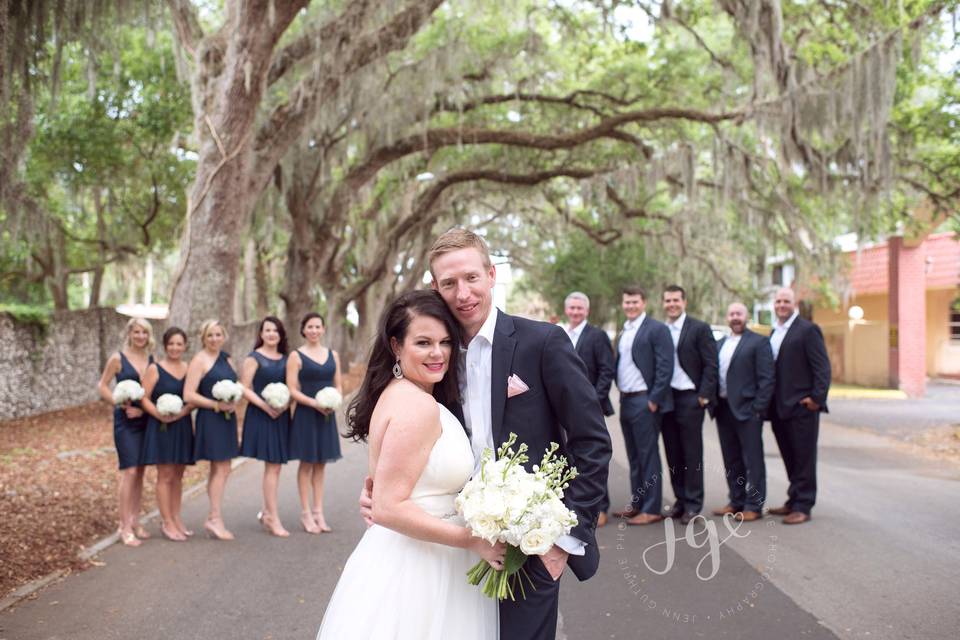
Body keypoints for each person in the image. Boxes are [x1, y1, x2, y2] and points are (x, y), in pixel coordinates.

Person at [317, 290, 502, 640]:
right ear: (396, 346)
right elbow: (388, 507)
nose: (437, 353)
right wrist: (471, 540)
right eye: (423, 342)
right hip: (420, 567)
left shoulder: (400, 393)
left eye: (445, 342)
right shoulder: (416, 406)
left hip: (413, 553)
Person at [767, 287, 831, 525]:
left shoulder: (807, 330)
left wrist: (816, 398)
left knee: (804, 457)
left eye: (786, 301)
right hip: (778, 407)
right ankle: (793, 499)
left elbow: (822, 367)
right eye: (778, 301)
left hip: (802, 407)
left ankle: (804, 505)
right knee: (789, 456)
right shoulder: (775, 332)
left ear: (795, 304)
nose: (782, 305)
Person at [612, 285, 674, 526]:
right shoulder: (625, 329)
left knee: (648, 456)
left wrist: (654, 400)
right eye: (627, 302)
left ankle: (652, 507)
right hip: (626, 399)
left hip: (644, 399)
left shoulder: (656, 329)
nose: (630, 306)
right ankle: (638, 502)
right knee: (634, 456)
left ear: (644, 303)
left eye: (635, 302)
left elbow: (665, 366)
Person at [710, 303, 774, 521]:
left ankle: (754, 505)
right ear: (727, 317)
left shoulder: (759, 342)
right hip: (723, 409)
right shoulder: (719, 344)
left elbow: (767, 379)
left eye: (739, 314)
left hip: (748, 410)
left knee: (753, 460)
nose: (735, 317)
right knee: (732, 459)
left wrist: (758, 408)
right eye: (731, 314)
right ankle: (736, 500)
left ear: (746, 317)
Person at [660, 285, 718, 524]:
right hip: (667, 399)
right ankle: (681, 500)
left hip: (690, 398)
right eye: (668, 300)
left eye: (676, 300)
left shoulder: (699, 328)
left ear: (684, 301)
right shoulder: (661, 330)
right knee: (673, 452)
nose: (672, 304)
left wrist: (703, 396)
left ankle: (694, 504)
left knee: (692, 454)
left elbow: (711, 364)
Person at [97, 317, 155, 546]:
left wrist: (146, 411)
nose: (141, 336)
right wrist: (117, 402)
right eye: (137, 332)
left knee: (140, 472)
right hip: (125, 422)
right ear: (129, 333)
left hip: (144, 419)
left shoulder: (151, 359)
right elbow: (102, 385)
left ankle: (135, 519)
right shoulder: (117, 359)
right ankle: (124, 526)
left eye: (145, 333)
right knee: (129, 471)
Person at [562, 291, 615, 526]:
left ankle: (601, 507)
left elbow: (606, 371)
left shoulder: (597, 336)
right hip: (564, 407)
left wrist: (594, 400)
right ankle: (574, 506)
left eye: (579, 308)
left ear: (587, 310)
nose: (575, 311)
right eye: (572, 308)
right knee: (569, 457)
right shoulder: (561, 334)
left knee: (593, 457)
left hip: (589, 407)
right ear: (566, 310)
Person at [287, 313, 342, 534]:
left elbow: (338, 385)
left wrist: (333, 400)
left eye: (318, 326)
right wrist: (314, 403)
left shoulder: (333, 355)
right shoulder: (296, 356)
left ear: (323, 329)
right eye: (310, 326)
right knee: (307, 463)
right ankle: (305, 513)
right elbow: (292, 388)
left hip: (326, 414)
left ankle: (319, 511)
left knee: (321, 464)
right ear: (303, 330)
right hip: (306, 414)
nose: (314, 330)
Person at [184, 319, 239, 540]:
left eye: (218, 335)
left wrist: (233, 399)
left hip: (228, 419)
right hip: (211, 418)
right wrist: (216, 404)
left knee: (223, 468)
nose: (214, 339)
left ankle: (214, 516)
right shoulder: (199, 360)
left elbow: (237, 383)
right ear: (203, 338)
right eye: (210, 335)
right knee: (221, 466)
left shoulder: (227, 358)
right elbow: (189, 394)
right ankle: (214, 519)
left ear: (223, 336)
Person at [140, 327, 196, 541]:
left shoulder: (189, 368)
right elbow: (143, 397)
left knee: (179, 475)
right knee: (165, 474)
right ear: (165, 346)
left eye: (179, 344)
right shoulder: (155, 369)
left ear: (185, 346)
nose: (175, 348)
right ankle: (166, 522)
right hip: (161, 426)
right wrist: (159, 414)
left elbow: (193, 398)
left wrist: (183, 412)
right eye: (171, 344)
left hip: (182, 425)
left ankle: (176, 517)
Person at [240, 316, 292, 537]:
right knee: (273, 466)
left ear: (280, 335)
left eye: (275, 330)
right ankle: (272, 517)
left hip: (281, 414)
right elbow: (243, 387)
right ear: (261, 334)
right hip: (262, 414)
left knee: (276, 466)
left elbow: (292, 386)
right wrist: (265, 404)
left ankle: (266, 511)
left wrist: (284, 404)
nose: (271, 334)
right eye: (267, 330)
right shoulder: (254, 358)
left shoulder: (286, 358)